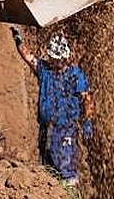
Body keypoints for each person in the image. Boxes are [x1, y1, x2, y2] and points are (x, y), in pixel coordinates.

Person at [12, 26, 94, 185]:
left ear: (65, 57)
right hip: (46, 127)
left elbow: (87, 99)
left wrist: (87, 120)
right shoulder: (44, 70)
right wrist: (17, 38)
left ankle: (69, 192)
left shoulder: (75, 74)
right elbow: (28, 57)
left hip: (66, 127)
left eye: (59, 59)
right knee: (48, 164)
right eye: (54, 59)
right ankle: (52, 191)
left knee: (66, 165)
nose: (56, 62)